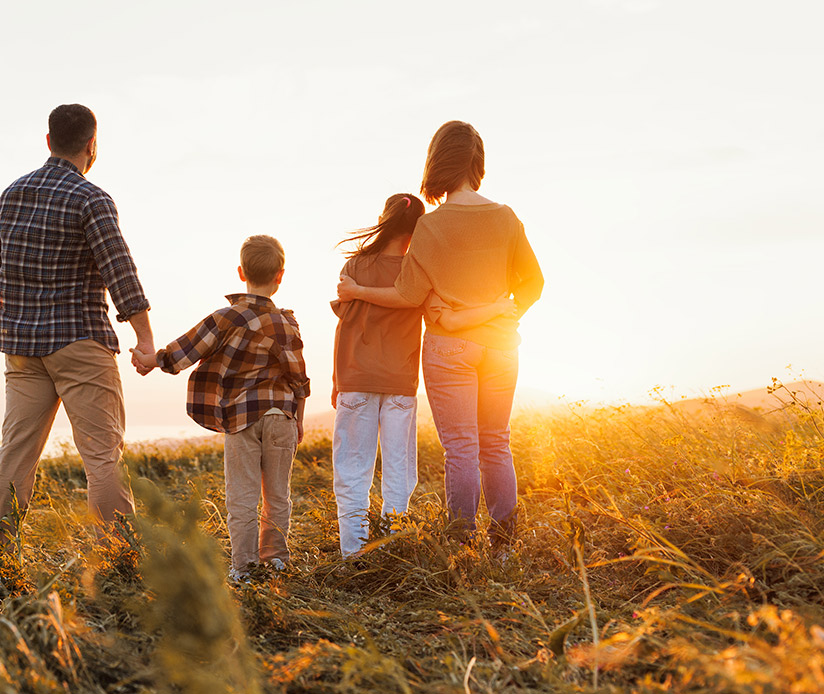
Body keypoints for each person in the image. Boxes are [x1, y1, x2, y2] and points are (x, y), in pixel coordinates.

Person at [337, 121, 543, 553]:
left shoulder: (430, 227)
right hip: (502, 346)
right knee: (496, 443)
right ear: (478, 162)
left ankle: (462, 547)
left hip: (449, 349)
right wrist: (504, 312)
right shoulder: (506, 217)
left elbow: (408, 294)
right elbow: (533, 283)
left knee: (463, 449)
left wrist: (357, 292)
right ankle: (503, 548)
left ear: (437, 163)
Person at [0, 104, 154, 568]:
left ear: (48, 140)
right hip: (79, 341)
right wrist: (145, 339)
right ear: (91, 146)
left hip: (21, 347)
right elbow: (121, 273)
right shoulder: (90, 198)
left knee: (14, 455)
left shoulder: (11, 195)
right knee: (102, 456)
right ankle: (119, 562)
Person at [330, 194, 515, 558]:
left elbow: (344, 325)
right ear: (419, 230)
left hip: (355, 379)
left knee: (352, 472)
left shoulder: (354, 267)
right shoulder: (420, 270)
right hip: (400, 383)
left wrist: (338, 380)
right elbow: (424, 306)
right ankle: (392, 546)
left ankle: (354, 556)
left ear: (384, 218)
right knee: (399, 474)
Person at [132, 236, 310, 583]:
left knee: (242, 498)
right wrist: (298, 419)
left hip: (241, 419)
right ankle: (275, 560)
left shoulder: (226, 317)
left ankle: (243, 567)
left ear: (241, 272)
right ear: (281, 276)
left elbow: (186, 349)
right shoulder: (287, 323)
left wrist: (151, 360)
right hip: (281, 417)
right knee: (278, 496)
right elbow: (299, 377)